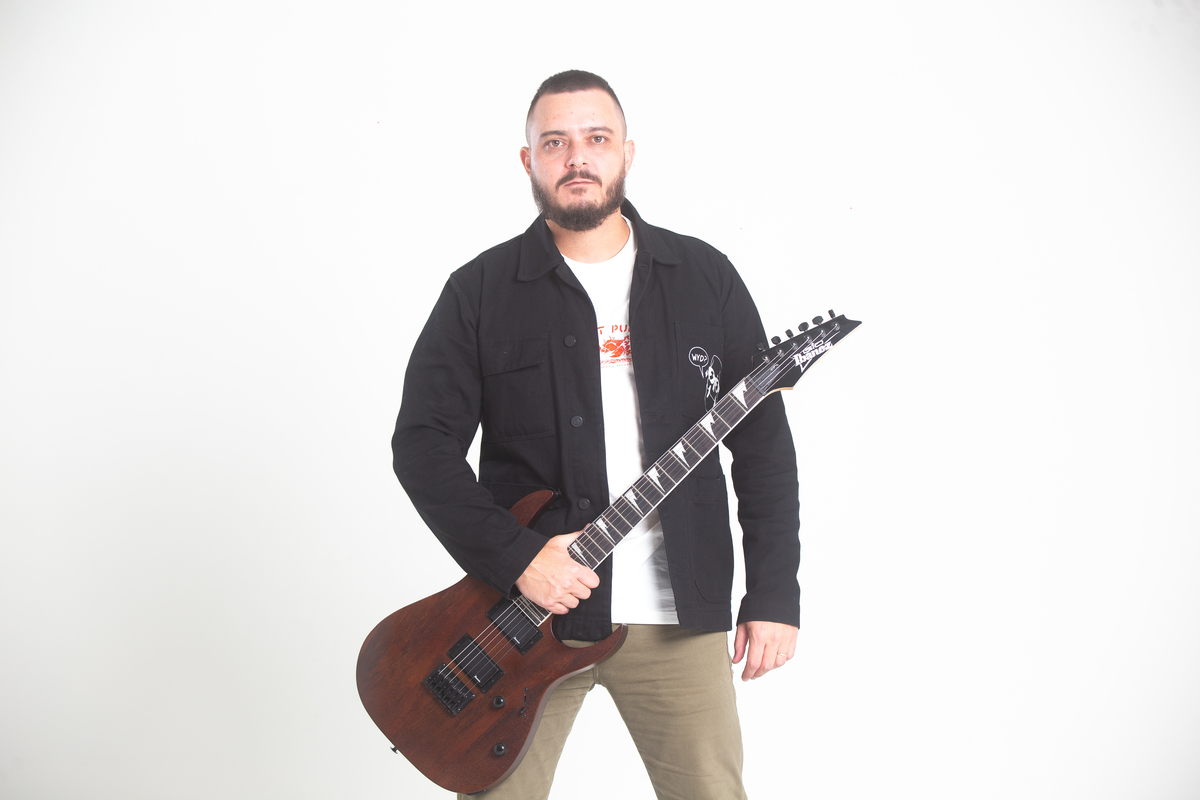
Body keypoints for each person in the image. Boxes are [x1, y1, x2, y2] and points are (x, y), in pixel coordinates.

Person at [392, 70, 800, 800]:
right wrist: (520, 557)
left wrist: (774, 592)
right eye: (555, 142)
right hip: (525, 620)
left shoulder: (704, 277)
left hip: (679, 617)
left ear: (627, 153)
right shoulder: (480, 291)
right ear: (529, 161)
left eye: (596, 139)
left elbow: (763, 448)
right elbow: (422, 446)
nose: (577, 157)